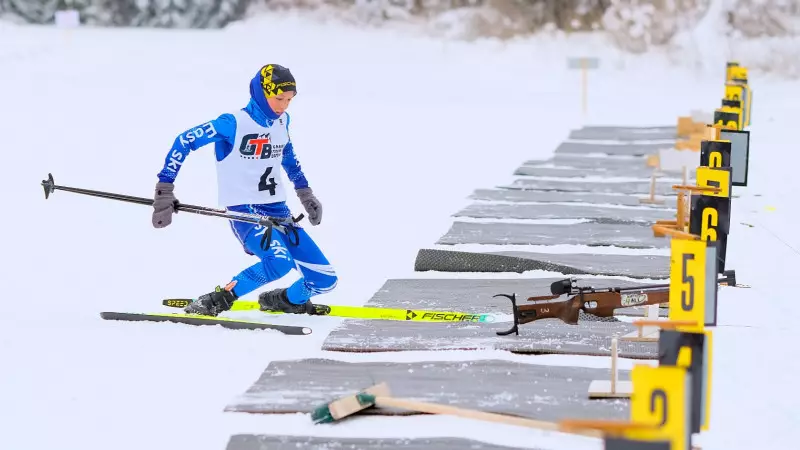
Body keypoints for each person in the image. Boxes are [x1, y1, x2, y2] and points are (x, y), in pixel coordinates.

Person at [151, 64, 337, 317]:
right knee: (278, 263)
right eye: (278, 98)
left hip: (280, 212)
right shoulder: (232, 123)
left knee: (324, 280)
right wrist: (165, 189)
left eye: (289, 100)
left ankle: (283, 300)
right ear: (262, 93)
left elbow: (288, 157)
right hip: (246, 211)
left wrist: (305, 193)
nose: (283, 106)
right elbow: (184, 141)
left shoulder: (283, 120)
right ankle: (217, 299)